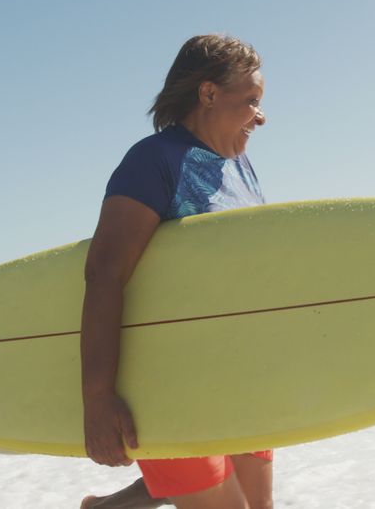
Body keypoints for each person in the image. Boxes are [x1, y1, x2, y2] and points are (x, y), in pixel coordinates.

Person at [80, 34, 273, 509]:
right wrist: (98, 397)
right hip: (169, 383)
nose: (261, 115)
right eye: (250, 101)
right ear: (208, 94)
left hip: (241, 375)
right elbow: (105, 274)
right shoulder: (154, 161)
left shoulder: (240, 166)